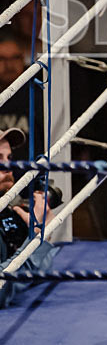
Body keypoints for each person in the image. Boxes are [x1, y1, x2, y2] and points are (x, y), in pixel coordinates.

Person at [0, 127, 59, 308]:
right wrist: (36, 232)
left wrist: (39, 234)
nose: (8, 167)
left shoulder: (9, 209)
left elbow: (42, 267)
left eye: (9, 158)